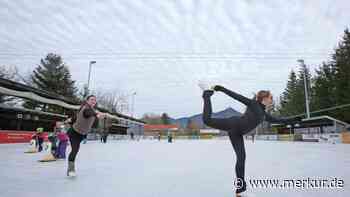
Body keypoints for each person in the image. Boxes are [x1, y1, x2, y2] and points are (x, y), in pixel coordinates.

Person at [201, 85, 301, 196]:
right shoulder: (254, 104)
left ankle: (240, 189)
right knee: (207, 120)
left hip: (237, 134)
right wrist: (222, 89)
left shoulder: (263, 114)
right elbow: (237, 96)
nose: (272, 99)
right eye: (271, 97)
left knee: (241, 158)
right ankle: (207, 94)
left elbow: (278, 119)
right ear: (264, 98)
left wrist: (291, 120)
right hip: (233, 123)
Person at [66, 95, 106, 176]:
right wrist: (96, 114)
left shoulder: (93, 111)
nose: (93, 101)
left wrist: (99, 117)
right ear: (87, 101)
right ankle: (70, 169)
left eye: (95, 100)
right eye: (91, 99)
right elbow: (87, 113)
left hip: (82, 134)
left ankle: (70, 168)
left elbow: (80, 118)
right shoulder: (86, 108)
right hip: (74, 133)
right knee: (75, 150)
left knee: (76, 149)